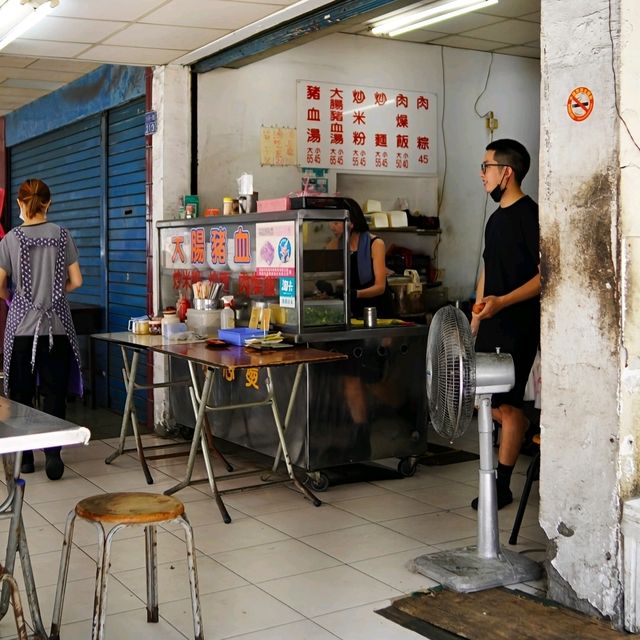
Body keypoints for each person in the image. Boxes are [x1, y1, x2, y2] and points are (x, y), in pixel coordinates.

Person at [471, 139, 541, 510]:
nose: (482, 175)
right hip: (493, 320)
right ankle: (521, 431)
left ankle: (501, 487)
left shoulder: (531, 216)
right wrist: (477, 313)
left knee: (507, 405)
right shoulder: (495, 219)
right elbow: (488, 268)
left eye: (487, 167)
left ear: (506, 172)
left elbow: (545, 277)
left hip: (518, 323)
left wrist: (503, 303)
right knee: (486, 400)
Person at [0, 178, 83, 480]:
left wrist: (13, 298)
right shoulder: (62, 236)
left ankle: (24, 458)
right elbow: (77, 281)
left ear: (21, 203)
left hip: (22, 328)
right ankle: (53, 456)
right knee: (54, 393)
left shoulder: (10, 239)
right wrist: (53, 293)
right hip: (56, 328)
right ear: (48, 202)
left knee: (21, 393)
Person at [330, 198, 392, 319]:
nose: (332, 227)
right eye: (331, 223)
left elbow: (380, 287)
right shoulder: (335, 244)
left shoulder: (375, 244)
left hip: (377, 311)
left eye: (336, 223)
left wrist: (354, 294)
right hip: (351, 310)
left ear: (351, 223)